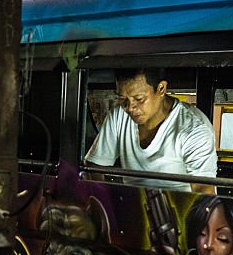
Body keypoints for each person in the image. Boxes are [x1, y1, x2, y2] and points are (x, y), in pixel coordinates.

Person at [85, 68, 217, 193]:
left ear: (161, 89)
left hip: (178, 210)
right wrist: (104, 201)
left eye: (139, 99)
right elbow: (95, 165)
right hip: (132, 206)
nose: (130, 107)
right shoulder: (119, 116)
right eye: (122, 99)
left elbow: (203, 193)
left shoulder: (194, 129)